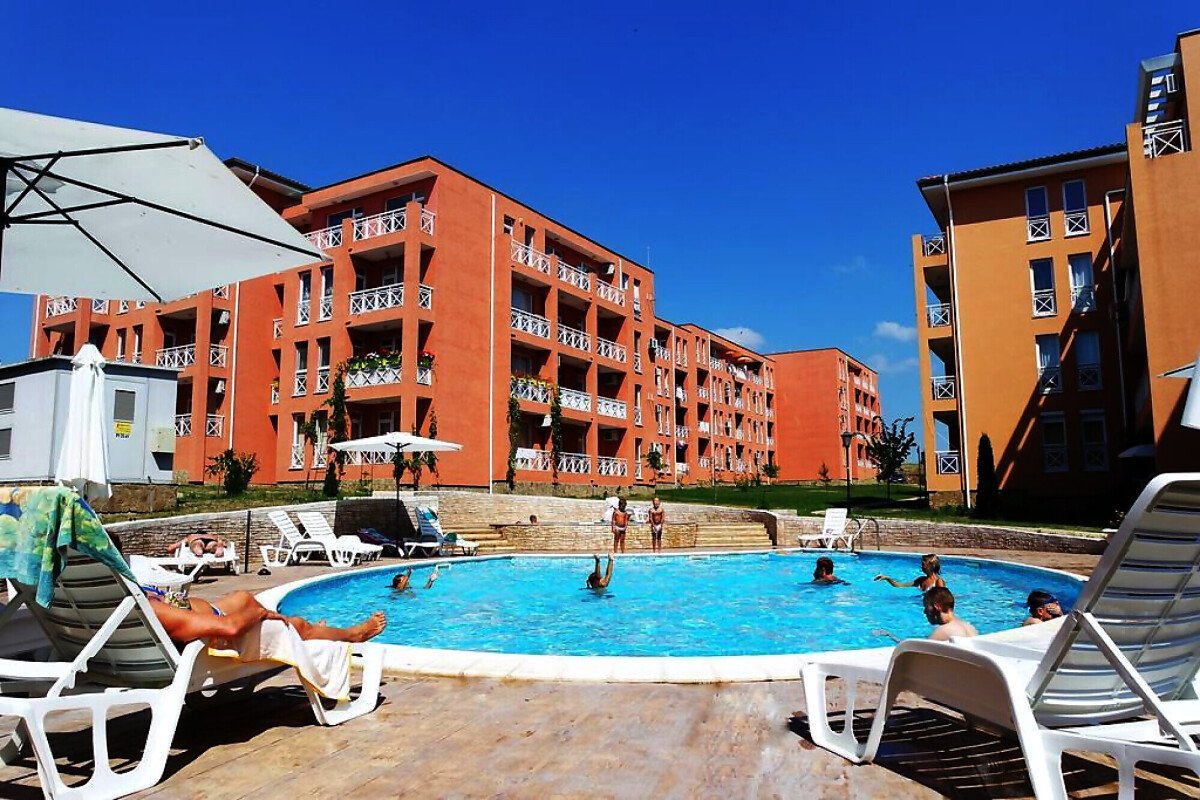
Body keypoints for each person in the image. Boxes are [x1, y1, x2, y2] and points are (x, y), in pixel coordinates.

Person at [146, 589, 386, 648]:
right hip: (216, 637)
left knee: (242, 597)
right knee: (297, 627)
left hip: (211, 614)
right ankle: (353, 634)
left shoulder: (132, 600)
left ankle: (311, 630)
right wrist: (260, 614)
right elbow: (230, 628)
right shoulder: (149, 610)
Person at [874, 554, 946, 593]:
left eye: (923, 564)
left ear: (932, 566)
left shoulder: (938, 581)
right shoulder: (921, 580)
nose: (921, 566)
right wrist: (887, 578)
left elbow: (943, 599)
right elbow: (900, 585)